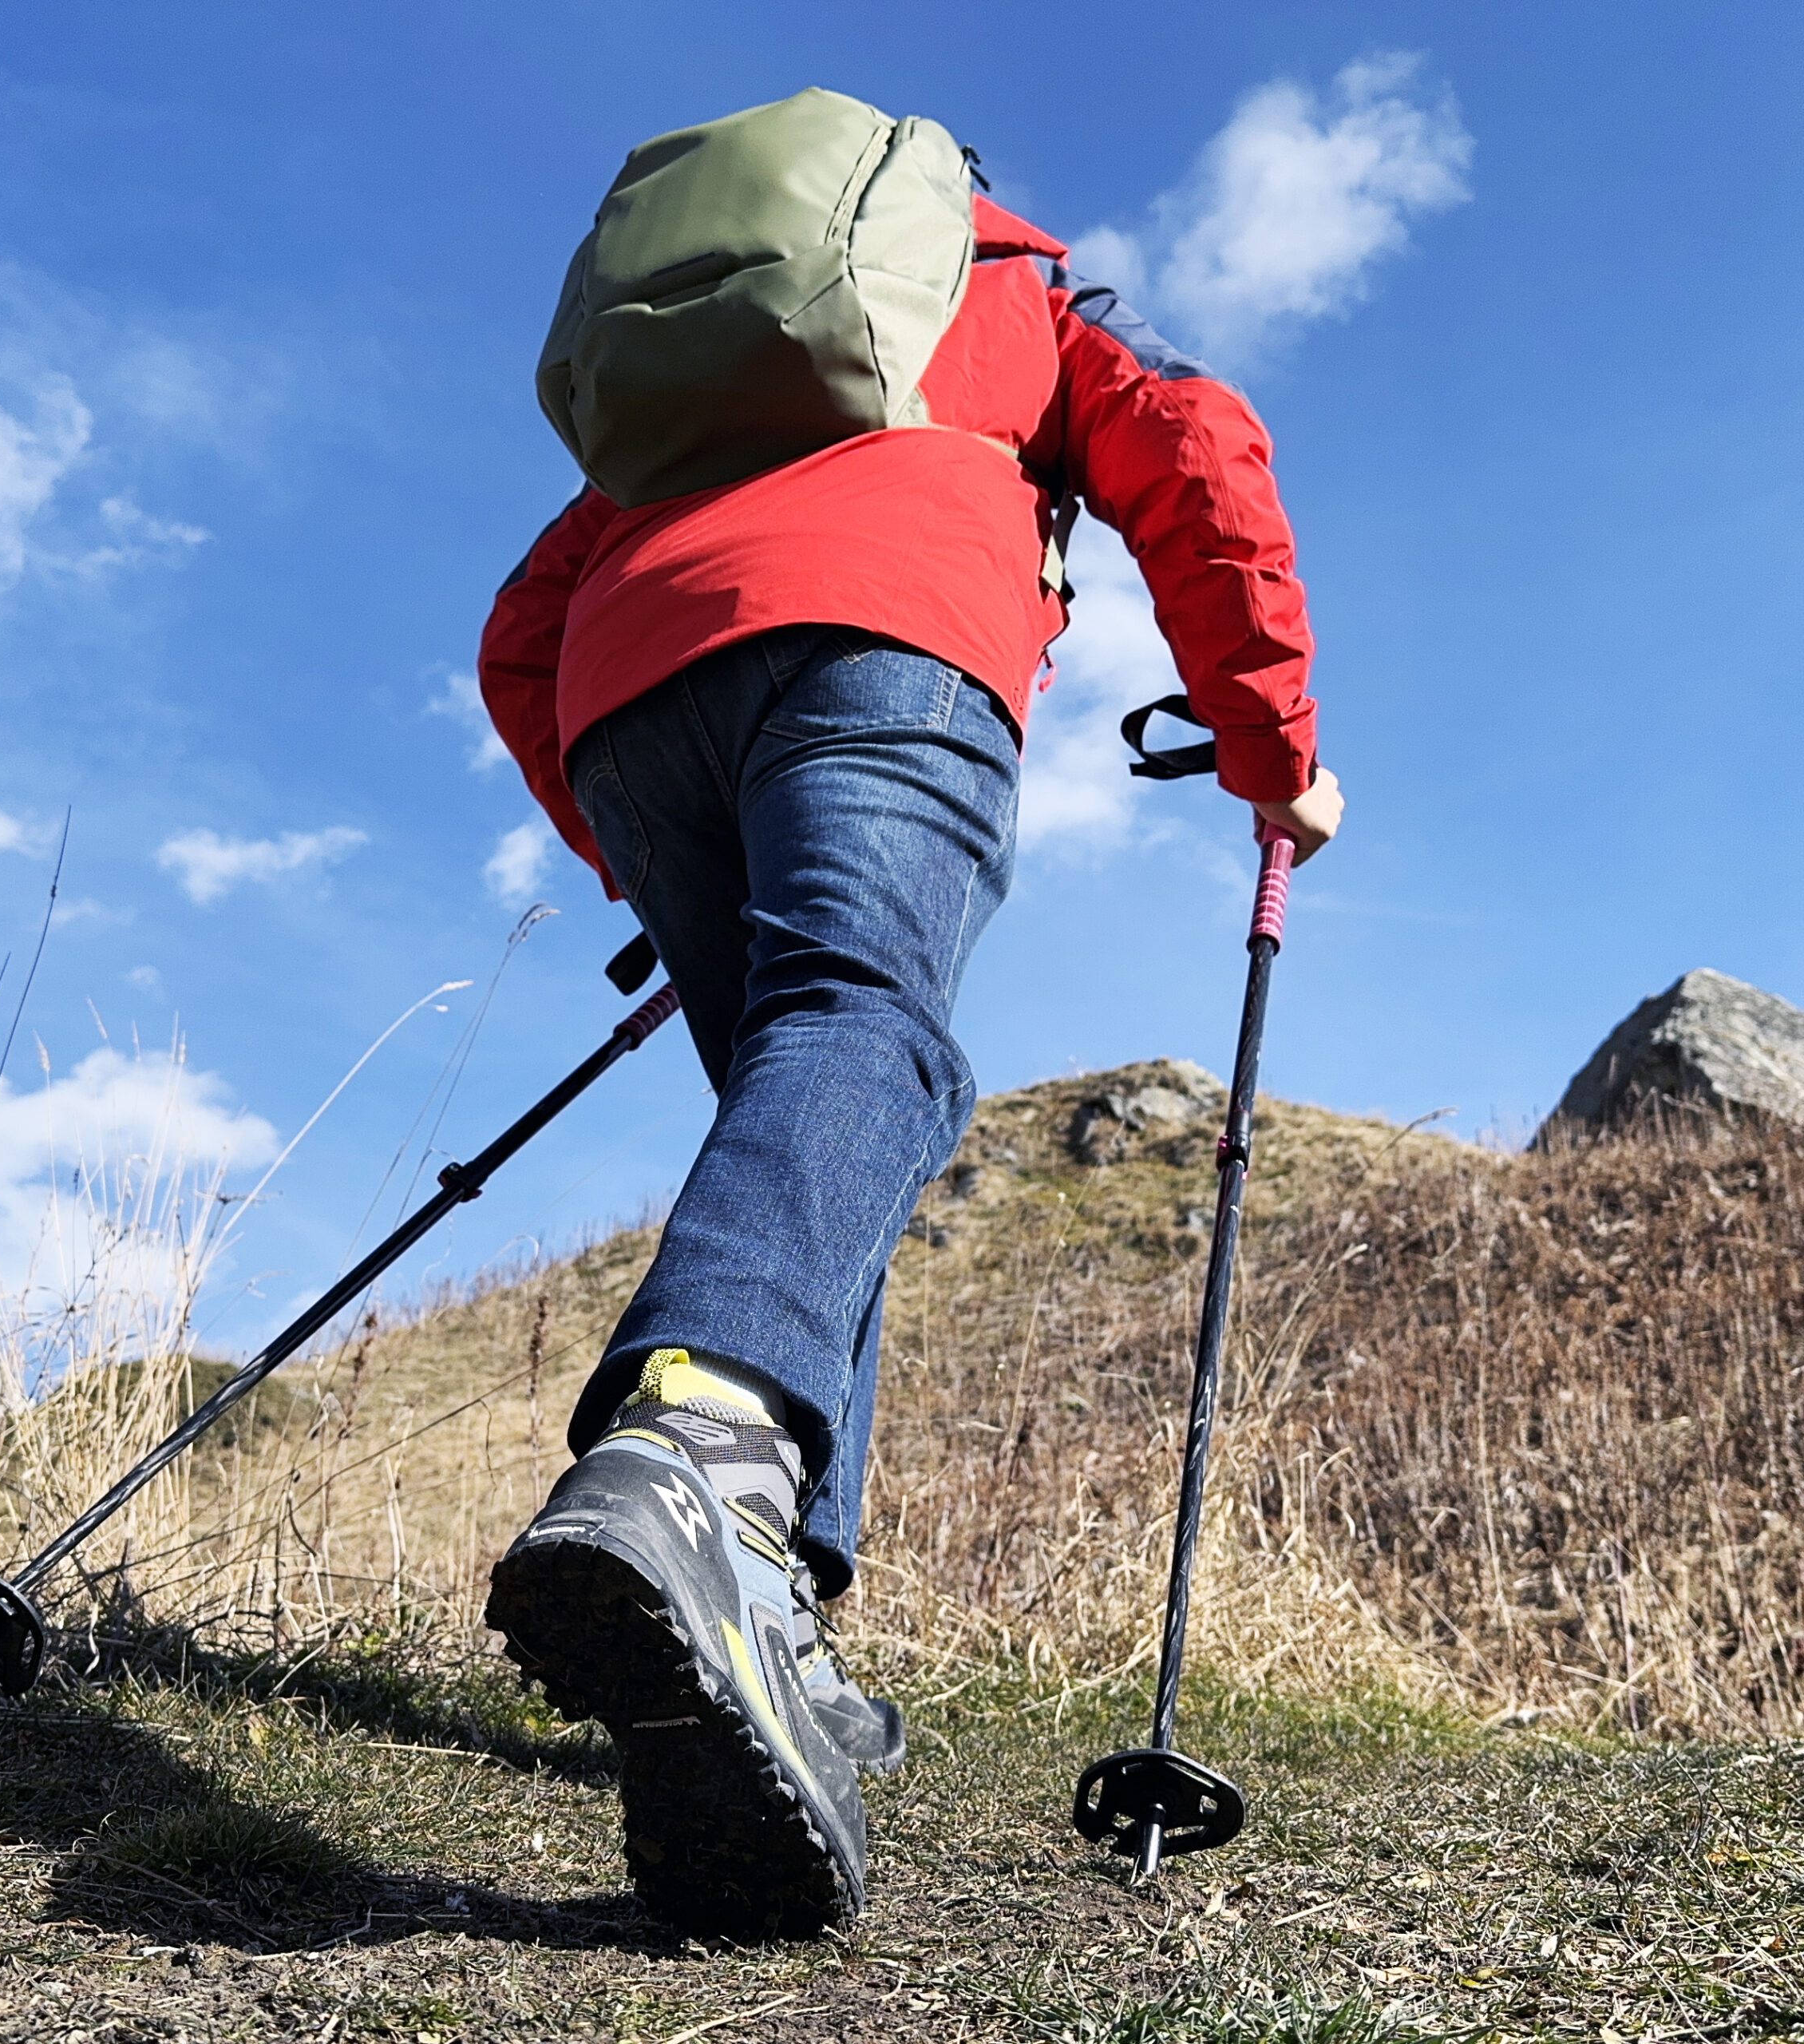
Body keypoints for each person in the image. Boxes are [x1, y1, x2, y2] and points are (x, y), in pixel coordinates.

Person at [477, 112, 1343, 1938]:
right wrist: (1270, 754)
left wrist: (623, 842)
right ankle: (696, 1454)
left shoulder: (706, 380)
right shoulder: (1018, 294)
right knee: (869, 1031)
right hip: (885, 641)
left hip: (632, 701)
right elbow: (1191, 451)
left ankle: (758, 1614)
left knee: (810, 1126)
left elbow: (521, 626)